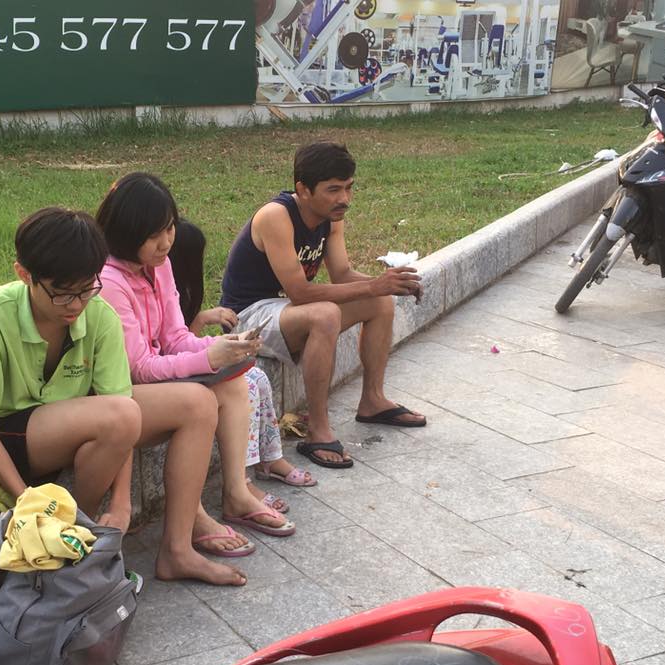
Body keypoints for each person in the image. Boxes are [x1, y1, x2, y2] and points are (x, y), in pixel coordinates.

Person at [96, 173, 296, 570]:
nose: (166, 242)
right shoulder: (110, 281)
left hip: (147, 389)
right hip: (115, 396)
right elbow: (138, 367)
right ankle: (181, 540)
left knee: (235, 381)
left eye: (170, 228)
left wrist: (222, 347)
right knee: (199, 400)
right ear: (126, 233)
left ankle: (235, 493)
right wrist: (210, 358)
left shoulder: (158, 265)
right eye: (154, 234)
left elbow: (174, 337)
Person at [219, 141, 426, 471]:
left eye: (348, 188)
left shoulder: (331, 217)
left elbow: (342, 274)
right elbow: (301, 292)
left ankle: (373, 400)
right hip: (247, 317)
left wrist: (391, 284)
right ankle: (318, 430)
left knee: (378, 302)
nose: (344, 199)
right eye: (333, 190)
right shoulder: (276, 216)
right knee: (326, 313)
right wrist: (375, 284)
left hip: (287, 309)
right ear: (303, 189)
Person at [0, 207, 141, 534]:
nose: (76, 304)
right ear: (24, 274)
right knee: (123, 414)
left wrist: (121, 503)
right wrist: (26, 500)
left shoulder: (99, 315)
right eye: (62, 294)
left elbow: (124, 414)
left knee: (187, 404)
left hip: (58, 428)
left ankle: (73, 528)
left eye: (86, 289)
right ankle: (70, 529)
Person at [168, 220, 314, 514]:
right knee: (243, 386)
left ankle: (270, 457)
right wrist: (204, 322)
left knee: (256, 375)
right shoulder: (159, 286)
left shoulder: (177, 289)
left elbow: (183, 338)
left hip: (188, 360)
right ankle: (240, 483)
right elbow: (172, 345)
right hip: (172, 370)